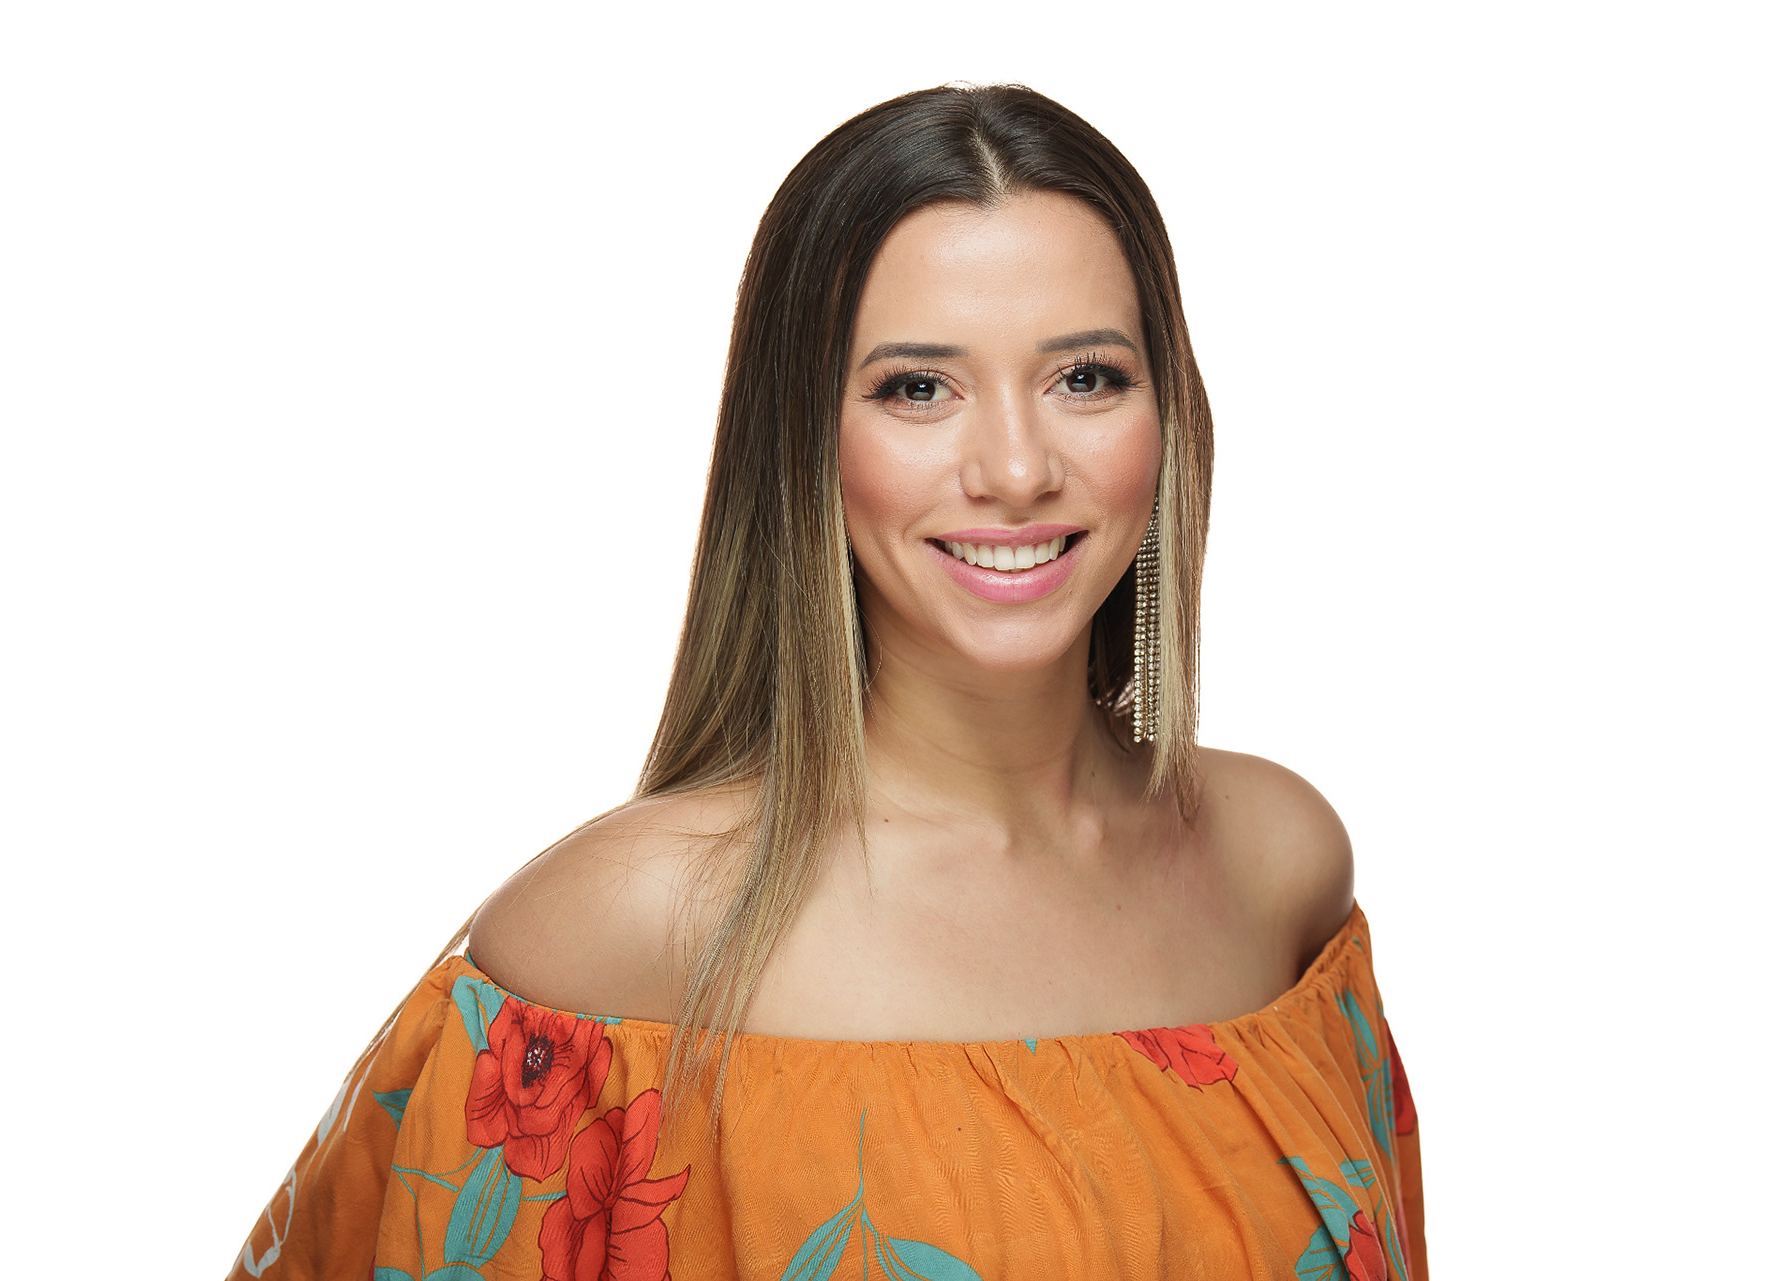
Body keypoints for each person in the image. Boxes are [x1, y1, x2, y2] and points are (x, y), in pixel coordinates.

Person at [231, 83, 1425, 1280]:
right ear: (802, 439)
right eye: (919, 388)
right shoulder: (625, 931)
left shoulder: (1279, 870)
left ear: (1169, 414)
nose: (1016, 469)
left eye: (1085, 378)